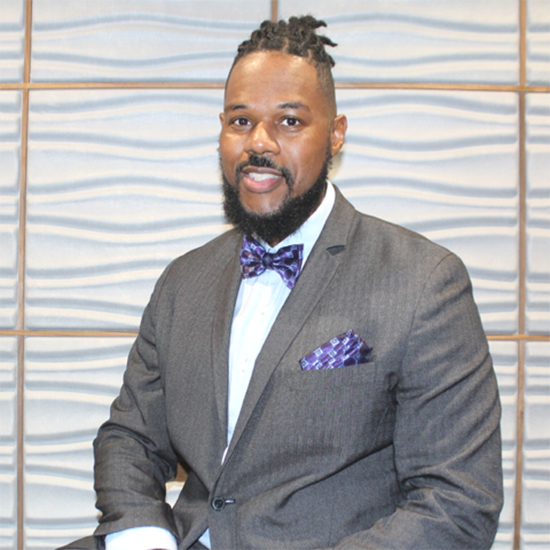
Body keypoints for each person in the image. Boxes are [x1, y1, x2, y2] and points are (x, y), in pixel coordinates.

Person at [60, 16, 503, 550]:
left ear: (336, 133)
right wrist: (144, 536)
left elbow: (456, 500)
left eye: (289, 122)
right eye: (241, 122)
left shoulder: (424, 282)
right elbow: (130, 438)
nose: (259, 144)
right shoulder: (183, 280)